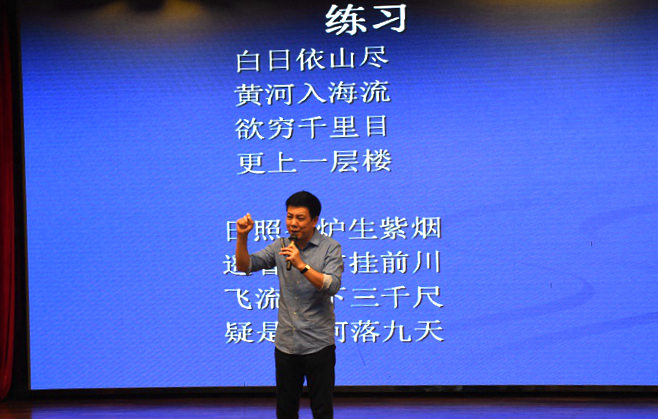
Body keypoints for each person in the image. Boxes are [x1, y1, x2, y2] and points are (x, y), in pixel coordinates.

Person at [235, 191, 343, 419]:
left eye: (300, 218)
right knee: (285, 410)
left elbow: (332, 285)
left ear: (314, 220)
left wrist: (301, 265)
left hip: (318, 344)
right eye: (289, 216)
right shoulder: (280, 245)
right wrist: (242, 237)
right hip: (286, 344)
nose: (293, 223)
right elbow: (245, 266)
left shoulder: (330, 247)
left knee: (322, 410)